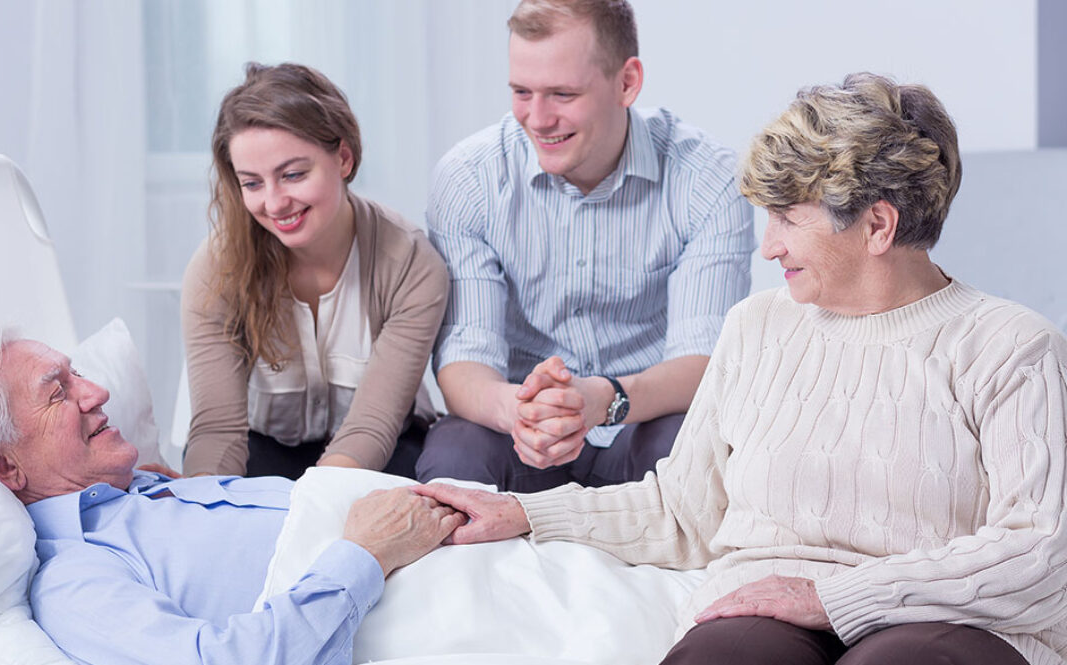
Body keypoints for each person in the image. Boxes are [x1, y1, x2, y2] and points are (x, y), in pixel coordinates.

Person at [417, 73, 1067, 665]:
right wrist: (526, 513)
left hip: (947, 621)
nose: (768, 245)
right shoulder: (757, 326)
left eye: (787, 218)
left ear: (877, 225)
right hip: (765, 610)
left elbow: (1042, 550)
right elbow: (683, 509)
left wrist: (832, 596)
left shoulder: (1013, 347)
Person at [0, 331, 465, 665]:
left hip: (475, 537)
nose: (97, 391)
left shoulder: (150, 491)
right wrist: (364, 555)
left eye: (77, 372)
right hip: (453, 602)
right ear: (2, 464)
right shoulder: (75, 578)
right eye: (58, 392)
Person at [419, 0, 754, 491]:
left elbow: (704, 360)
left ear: (627, 82)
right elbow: (465, 358)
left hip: (642, 416)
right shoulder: (468, 178)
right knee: (455, 455)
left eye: (562, 94)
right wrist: (521, 411)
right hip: (521, 426)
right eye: (521, 92)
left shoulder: (708, 179)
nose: (537, 118)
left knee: (694, 449)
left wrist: (604, 398)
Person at [182, 63, 448, 480]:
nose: (274, 203)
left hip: (381, 453)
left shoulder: (411, 263)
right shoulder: (215, 267)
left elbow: (371, 429)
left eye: (292, 175)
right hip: (262, 450)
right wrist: (205, 512)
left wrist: (311, 512)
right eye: (252, 183)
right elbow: (217, 432)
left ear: (343, 157)